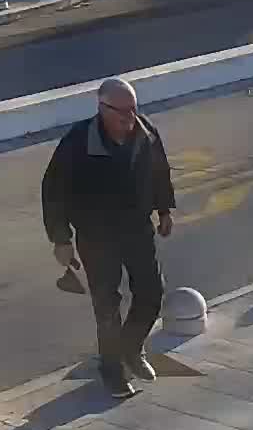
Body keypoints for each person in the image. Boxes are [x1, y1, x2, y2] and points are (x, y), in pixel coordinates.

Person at [42, 77, 176, 398]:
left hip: (137, 229)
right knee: (107, 305)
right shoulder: (77, 142)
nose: (130, 119)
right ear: (102, 108)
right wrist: (61, 239)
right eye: (122, 112)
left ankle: (131, 348)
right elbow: (53, 192)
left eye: (133, 110)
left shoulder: (145, 132)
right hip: (97, 236)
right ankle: (112, 369)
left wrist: (165, 209)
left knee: (151, 293)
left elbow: (160, 171)